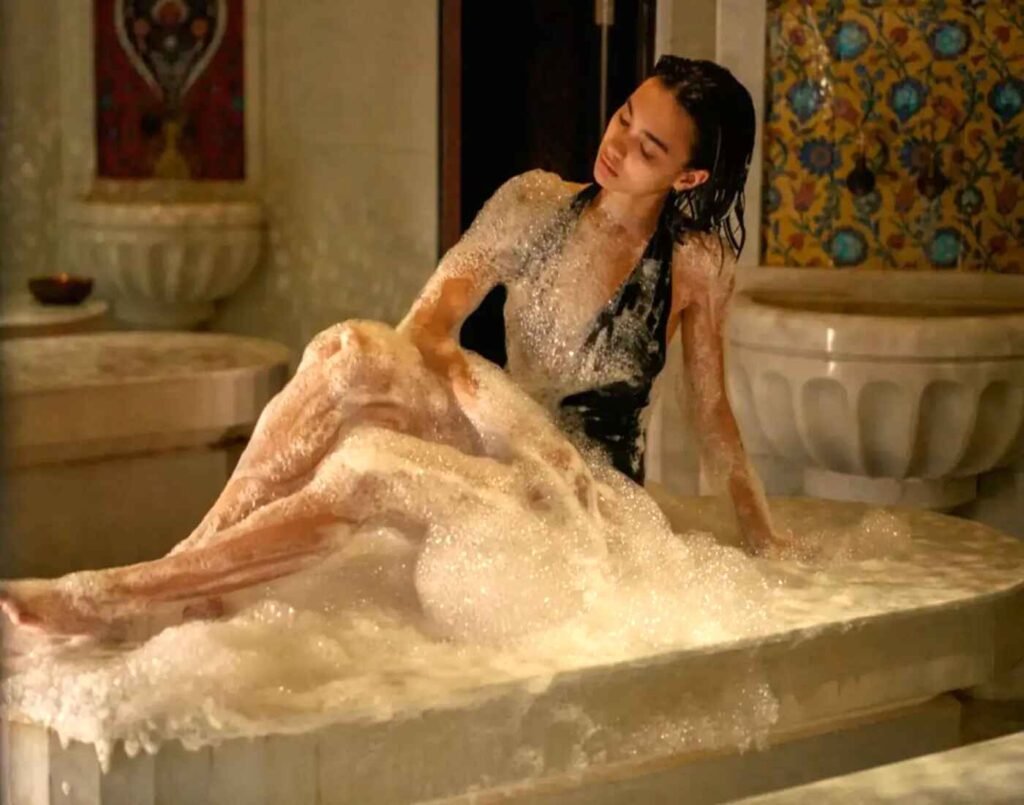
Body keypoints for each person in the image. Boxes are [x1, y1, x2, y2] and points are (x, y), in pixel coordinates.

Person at [0, 57, 780, 639]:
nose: (618, 145)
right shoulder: (532, 202)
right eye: (623, 118)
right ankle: (191, 568)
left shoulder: (695, 263)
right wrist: (487, 404)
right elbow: (423, 330)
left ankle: (121, 595)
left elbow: (711, 416)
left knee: (367, 463)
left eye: (649, 147)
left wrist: (766, 540)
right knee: (348, 347)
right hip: (505, 436)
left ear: (689, 176)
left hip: (584, 494)